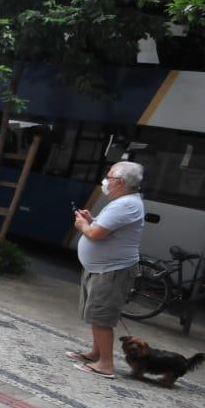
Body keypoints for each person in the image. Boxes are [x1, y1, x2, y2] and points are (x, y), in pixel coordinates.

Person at [68, 161, 146, 379]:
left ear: (120, 182)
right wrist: (92, 220)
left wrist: (82, 225)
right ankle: (96, 353)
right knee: (95, 313)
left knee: (102, 316)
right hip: (102, 268)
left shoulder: (125, 204)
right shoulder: (122, 201)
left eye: (109, 177)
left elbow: (94, 235)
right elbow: (106, 229)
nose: (105, 181)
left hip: (112, 270)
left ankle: (105, 364)